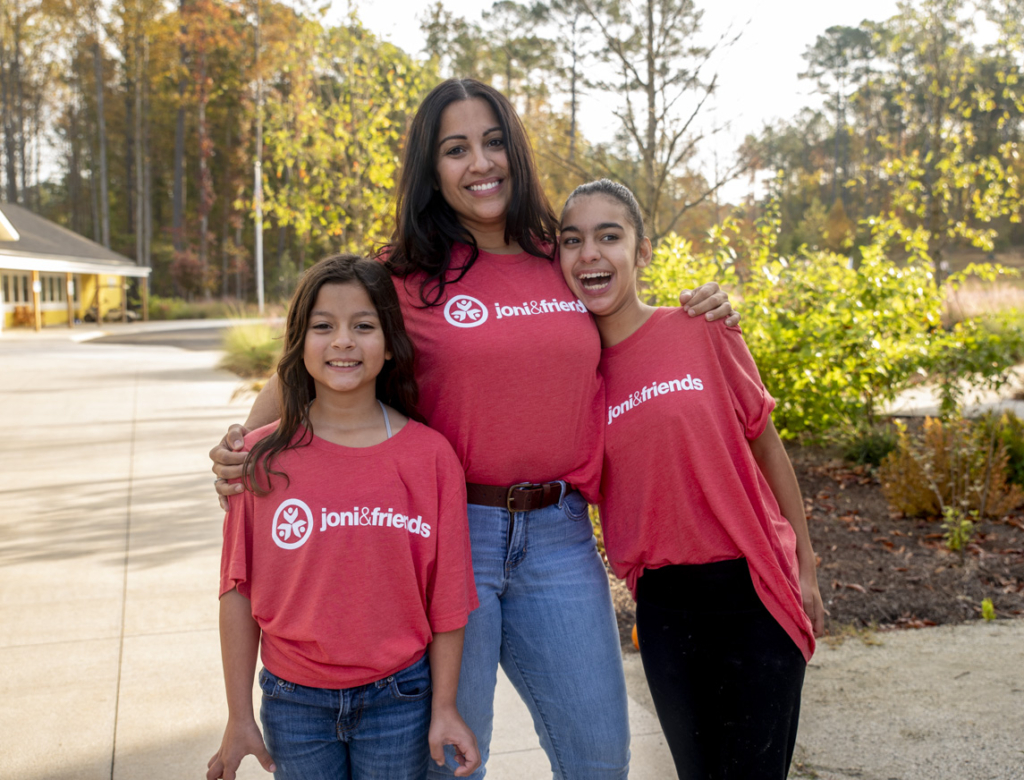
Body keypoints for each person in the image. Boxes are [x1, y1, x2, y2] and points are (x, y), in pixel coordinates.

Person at [210, 79, 737, 780]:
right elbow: (302, 362)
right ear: (431, 170)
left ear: (515, 152)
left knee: (599, 757)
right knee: (454, 763)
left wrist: (704, 306)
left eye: (493, 142)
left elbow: (632, 313)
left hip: (559, 536)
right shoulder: (399, 274)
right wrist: (244, 450)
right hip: (455, 533)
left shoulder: (561, 254)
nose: (479, 163)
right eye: (455, 150)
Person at [557, 179, 826, 779]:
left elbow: (766, 442)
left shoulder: (700, 327)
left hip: (752, 586)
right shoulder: (575, 376)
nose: (590, 253)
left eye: (609, 236)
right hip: (664, 609)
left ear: (642, 250)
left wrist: (805, 564)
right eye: (572, 240)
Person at [206, 254, 481, 780]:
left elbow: (447, 598)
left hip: (400, 698)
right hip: (293, 703)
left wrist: (444, 706)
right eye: (323, 326)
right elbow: (235, 591)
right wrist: (239, 714)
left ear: (390, 341)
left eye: (363, 326)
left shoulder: (431, 457)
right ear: (298, 341)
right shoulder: (259, 460)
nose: (343, 342)